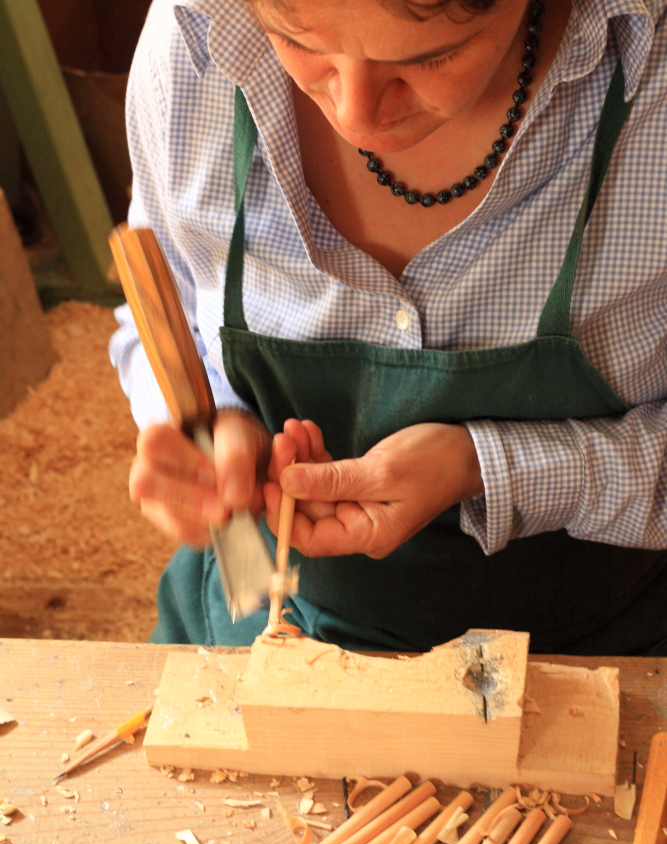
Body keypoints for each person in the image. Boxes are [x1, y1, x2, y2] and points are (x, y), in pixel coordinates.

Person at [110, 0, 667, 655]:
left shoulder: (646, 71)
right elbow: (161, 318)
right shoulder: (195, 38)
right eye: (296, 40)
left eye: (430, 57)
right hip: (266, 611)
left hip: (605, 645)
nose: (354, 116)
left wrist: (488, 468)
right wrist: (212, 429)